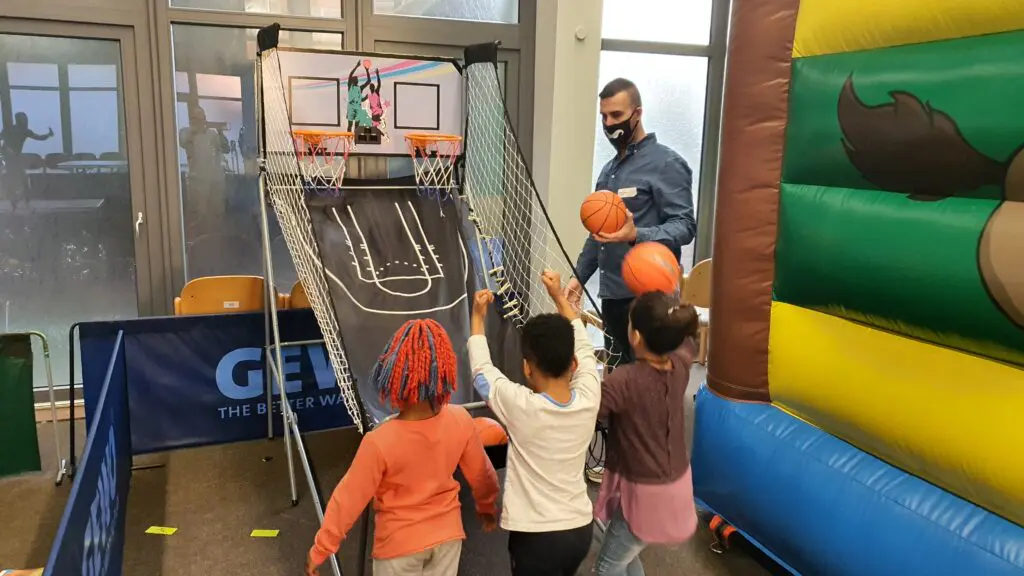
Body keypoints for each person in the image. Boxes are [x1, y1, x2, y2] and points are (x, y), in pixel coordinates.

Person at [306, 318, 500, 576]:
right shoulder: (461, 420)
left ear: (392, 375)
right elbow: (483, 474)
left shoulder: (379, 441)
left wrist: (321, 549)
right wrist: (486, 508)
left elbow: (348, 499)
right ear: (444, 372)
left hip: (398, 547)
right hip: (447, 538)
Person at [469, 271, 600, 576]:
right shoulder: (589, 397)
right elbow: (582, 343)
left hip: (536, 538)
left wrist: (478, 318)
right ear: (574, 365)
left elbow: (481, 373)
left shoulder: (521, 406)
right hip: (580, 529)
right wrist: (558, 296)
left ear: (527, 368)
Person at [565, 78, 697, 367]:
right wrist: (578, 277)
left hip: (651, 300)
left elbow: (685, 226)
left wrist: (638, 233)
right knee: (621, 380)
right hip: (612, 296)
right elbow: (598, 233)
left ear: (637, 114)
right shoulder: (608, 171)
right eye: (604, 116)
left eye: (617, 116)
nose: (609, 124)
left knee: (652, 384)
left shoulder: (667, 164)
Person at [593, 291, 701, 576]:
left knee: (607, 567)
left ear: (636, 337)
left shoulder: (623, 381)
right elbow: (691, 341)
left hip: (645, 496)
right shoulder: (681, 364)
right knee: (627, 553)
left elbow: (586, 413)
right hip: (675, 487)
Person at [0, 112, 54, 206]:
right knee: (16, 176)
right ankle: (17, 197)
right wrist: (7, 149)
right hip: (9, 157)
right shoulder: (9, 130)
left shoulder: (25, 131)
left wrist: (48, 135)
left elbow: (39, 137)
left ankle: (19, 197)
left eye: (25, 118)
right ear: (18, 119)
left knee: (20, 177)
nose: (25, 120)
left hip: (16, 157)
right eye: (23, 118)